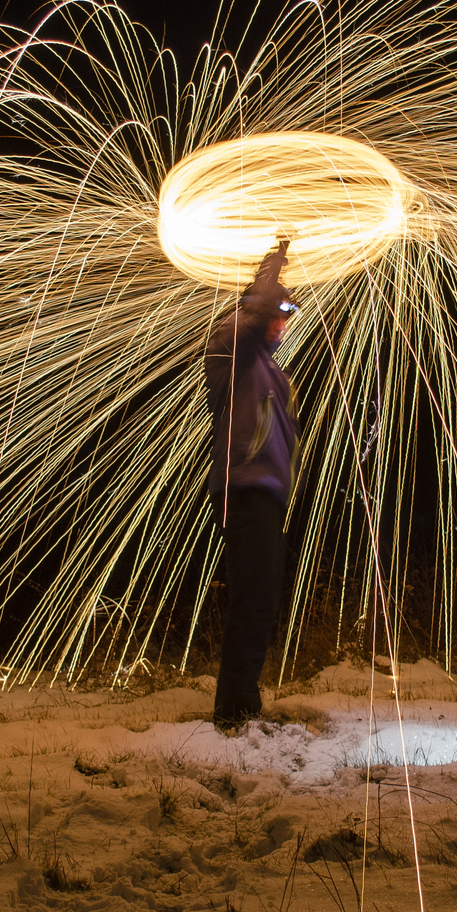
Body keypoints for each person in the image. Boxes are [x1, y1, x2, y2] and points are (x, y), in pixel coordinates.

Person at [203, 239, 298, 730]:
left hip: (267, 496)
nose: (281, 325)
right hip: (244, 491)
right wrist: (268, 275)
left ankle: (242, 703)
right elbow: (243, 325)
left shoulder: (272, 373)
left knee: (262, 602)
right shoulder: (230, 356)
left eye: (288, 316)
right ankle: (235, 712)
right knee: (251, 602)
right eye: (273, 315)